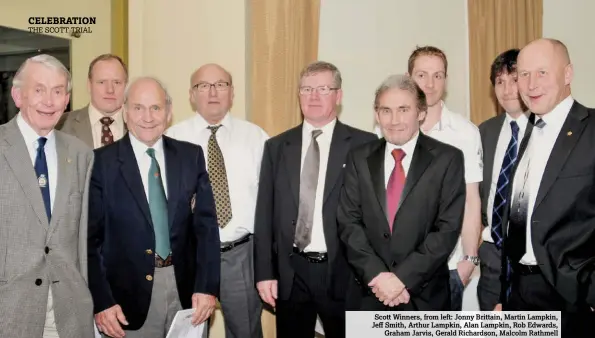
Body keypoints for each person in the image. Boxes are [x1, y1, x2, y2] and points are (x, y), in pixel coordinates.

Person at [88, 77, 220, 338]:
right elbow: (89, 241)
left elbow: (206, 228)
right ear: (125, 112)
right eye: (138, 108)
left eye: (156, 108)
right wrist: (102, 301)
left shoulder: (190, 156)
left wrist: (207, 287)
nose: (147, 117)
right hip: (126, 299)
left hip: (186, 293)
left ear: (168, 113)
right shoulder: (100, 163)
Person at [254, 61, 377, 338]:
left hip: (344, 274)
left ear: (339, 95)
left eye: (323, 89)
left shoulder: (364, 145)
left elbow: (373, 216)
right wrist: (264, 273)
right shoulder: (276, 147)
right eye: (306, 89)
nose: (313, 96)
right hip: (291, 272)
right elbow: (264, 215)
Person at [337, 74, 466, 311]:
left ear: (421, 113)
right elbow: (348, 222)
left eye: (403, 109)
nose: (394, 120)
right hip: (369, 292)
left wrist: (401, 280)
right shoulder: (358, 158)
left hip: (424, 296)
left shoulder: (448, 159)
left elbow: (446, 229)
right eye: (386, 110)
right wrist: (378, 276)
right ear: (376, 115)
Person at [498, 38, 595, 336]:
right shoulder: (528, 130)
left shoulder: (590, 129)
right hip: (519, 291)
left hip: (572, 296)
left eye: (542, 72)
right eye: (523, 75)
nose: (531, 84)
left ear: (567, 75)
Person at [166, 63, 268, 338]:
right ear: (191, 94)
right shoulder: (172, 139)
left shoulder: (256, 138)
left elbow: (270, 202)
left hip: (241, 254)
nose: (212, 92)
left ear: (232, 93)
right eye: (203, 85)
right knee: (190, 332)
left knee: (246, 332)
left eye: (221, 84)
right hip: (191, 255)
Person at [0, 54, 95, 337]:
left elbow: (84, 239)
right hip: (9, 310)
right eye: (39, 90)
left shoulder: (81, 155)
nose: (49, 101)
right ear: (18, 95)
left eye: (58, 92)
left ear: (67, 100)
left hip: (68, 311)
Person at [400, 46, 483, 310]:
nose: (430, 84)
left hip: (448, 269)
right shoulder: (389, 128)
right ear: (408, 77)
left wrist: (469, 260)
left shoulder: (465, 133)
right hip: (397, 269)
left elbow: (471, 200)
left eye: (438, 75)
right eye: (422, 75)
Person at [477, 48, 529, 311]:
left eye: (514, 79)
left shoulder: (546, 130)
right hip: (491, 257)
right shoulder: (484, 132)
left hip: (531, 261)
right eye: (500, 82)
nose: (507, 89)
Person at [59, 54, 128, 148]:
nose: (110, 90)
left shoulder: (142, 126)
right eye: (102, 82)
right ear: (89, 85)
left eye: (117, 82)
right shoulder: (61, 124)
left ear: (126, 86)